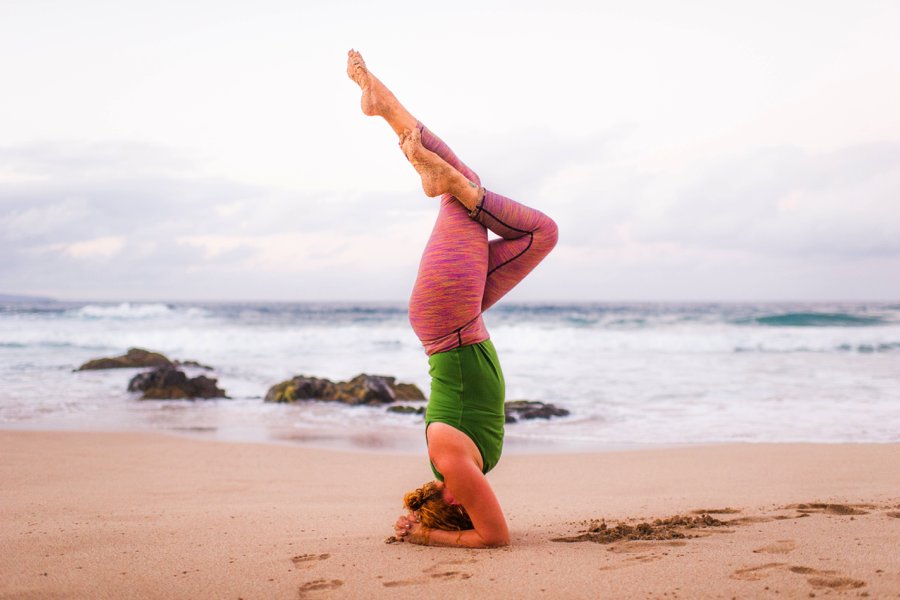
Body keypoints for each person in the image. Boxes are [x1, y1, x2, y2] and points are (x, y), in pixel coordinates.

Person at [347, 49, 558, 548]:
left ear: (455, 509)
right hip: (459, 315)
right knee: (536, 234)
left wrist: (422, 537)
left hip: (448, 318)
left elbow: (495, 539)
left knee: (466, 192)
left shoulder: (455, 468)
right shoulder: (459, 467)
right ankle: (387, 109)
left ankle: (387, 108)